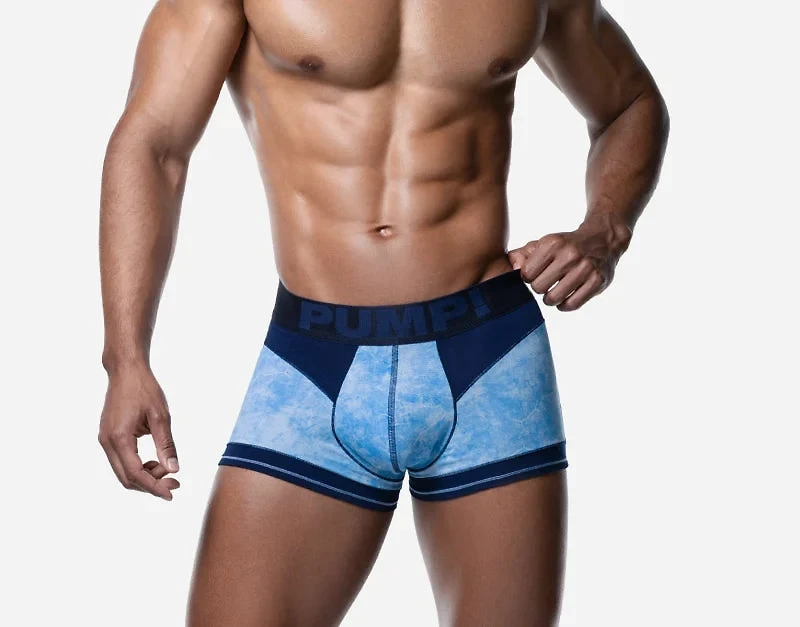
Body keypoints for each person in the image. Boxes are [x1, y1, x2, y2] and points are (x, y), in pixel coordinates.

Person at [97, 0, 668, 624]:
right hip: (313, 364)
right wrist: (126, 358)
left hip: (489, 358)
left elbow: (629, 104)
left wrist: (604, 230)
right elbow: (155, 145)